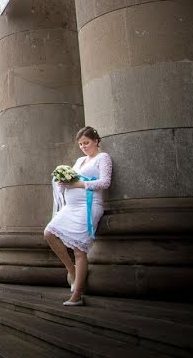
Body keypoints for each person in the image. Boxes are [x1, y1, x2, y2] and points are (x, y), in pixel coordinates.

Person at [44, 126, 113, 306]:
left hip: (88, 207)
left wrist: (78, 185)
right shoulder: (80, 160)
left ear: (96, 141)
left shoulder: (102, 158)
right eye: (81, 144)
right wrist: (63, 182)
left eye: (86, 143)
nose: (83, 146)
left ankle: (77, 295)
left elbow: (105, 182)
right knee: (49, 233)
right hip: (71, 207)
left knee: (79, 250)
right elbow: (72, 180)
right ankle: (72, 271)